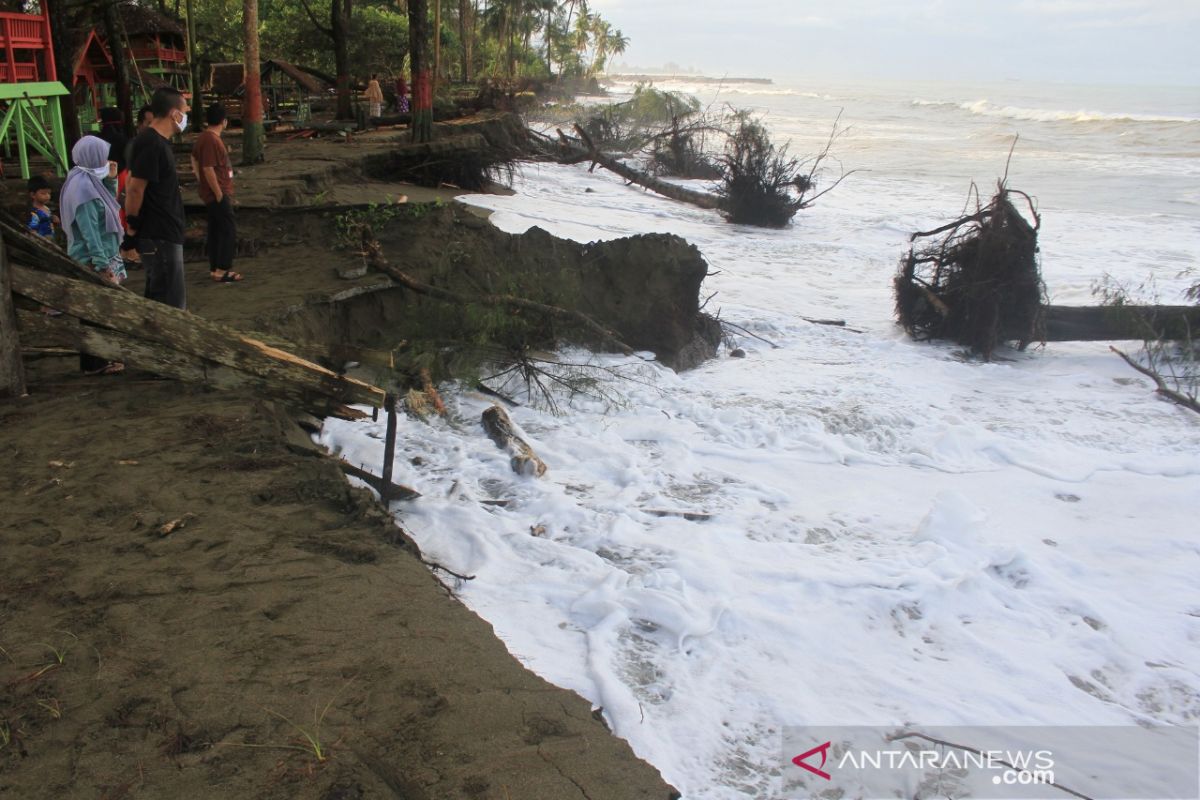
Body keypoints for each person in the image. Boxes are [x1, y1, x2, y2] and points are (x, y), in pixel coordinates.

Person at [60, 136, 126, 376]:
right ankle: (96, 361)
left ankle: (100, 359)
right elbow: (90, 232)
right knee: (97, 310)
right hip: (92, 258)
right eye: (102, 156)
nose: (106, 160)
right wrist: (101, 264)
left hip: (103, 253)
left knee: (100, 309)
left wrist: (110, 179)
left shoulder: (86, 181)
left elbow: (109, 203)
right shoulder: (82, 191)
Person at [125, 87, 190, 310]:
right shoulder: (150, 142)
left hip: (167, 229)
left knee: (167, 294)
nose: (185, 117)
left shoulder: (159, 142)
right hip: (158, 232)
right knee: (169, 300)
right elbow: (134, 188)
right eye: (184, 111)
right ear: (174, 114)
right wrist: (132, 228)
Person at [190, 103, 243, 283]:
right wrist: (218, 192)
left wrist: (201, 181)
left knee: (216, 230)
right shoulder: (212, 140)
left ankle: (215, 268)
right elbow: (208, 168)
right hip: (217, 193)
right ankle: (222, 268)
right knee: (228, 229)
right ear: (224, 121)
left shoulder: (204, 138)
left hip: (212, 191)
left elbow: (194, 159)